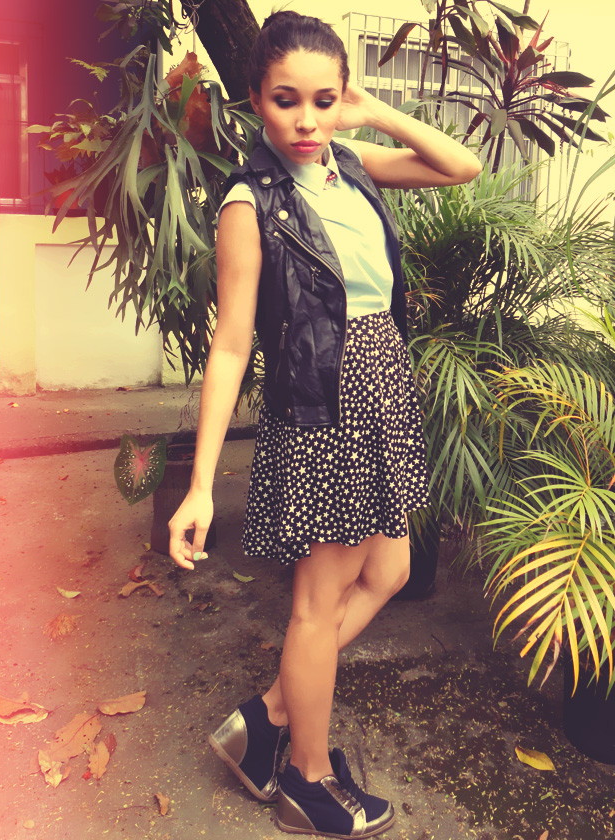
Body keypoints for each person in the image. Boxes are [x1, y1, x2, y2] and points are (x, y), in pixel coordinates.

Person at [169, 11, 481, 839]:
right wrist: (200, 485)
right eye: (287, 100)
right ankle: (305, 782)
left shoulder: (349, 163)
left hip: (382, 386)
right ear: (256, 100)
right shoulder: (252, 202)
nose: (306, 120)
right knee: (319, 603)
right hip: (324, 406)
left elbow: (462, 166)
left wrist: (371, 111)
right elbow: (231, 344)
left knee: (390, 570)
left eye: (323, 100)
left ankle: (269, 716)